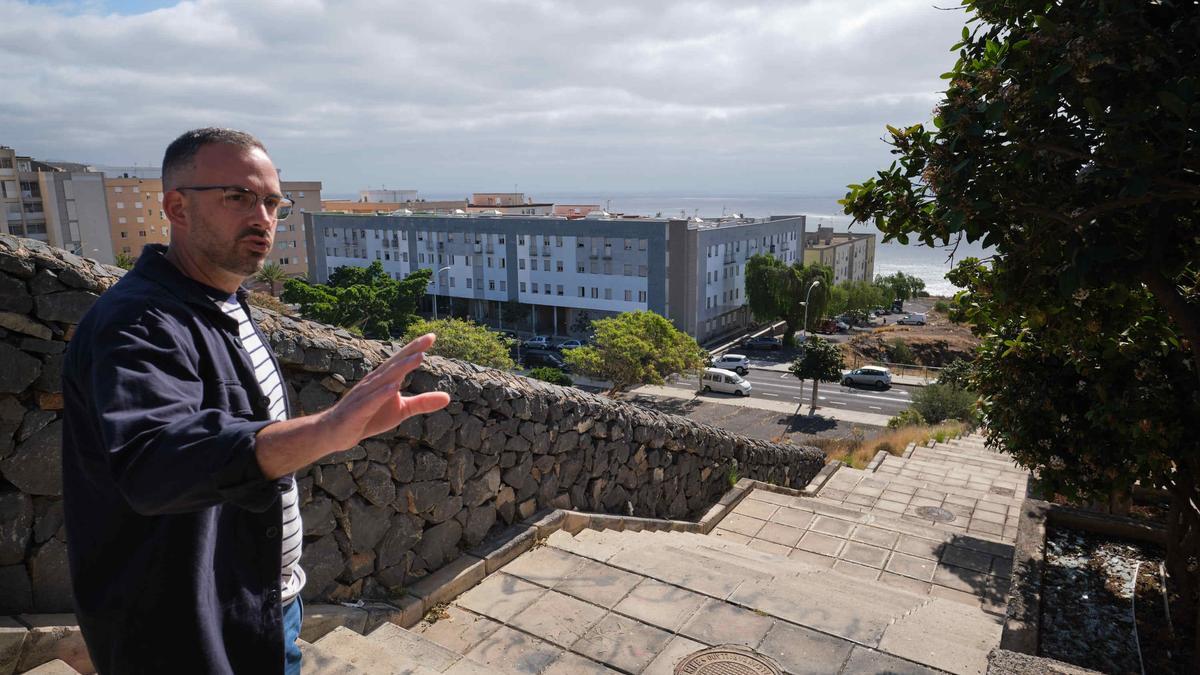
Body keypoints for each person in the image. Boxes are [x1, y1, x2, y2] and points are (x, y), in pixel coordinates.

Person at [61, 128, 450, 675]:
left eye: (272, 202)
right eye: (238, 197)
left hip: (265, 605)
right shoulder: (139, 322)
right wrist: (328, 429)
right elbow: (153, 463)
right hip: (187, 632)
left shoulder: (225, 304)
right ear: (176, 206)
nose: (263, 217)